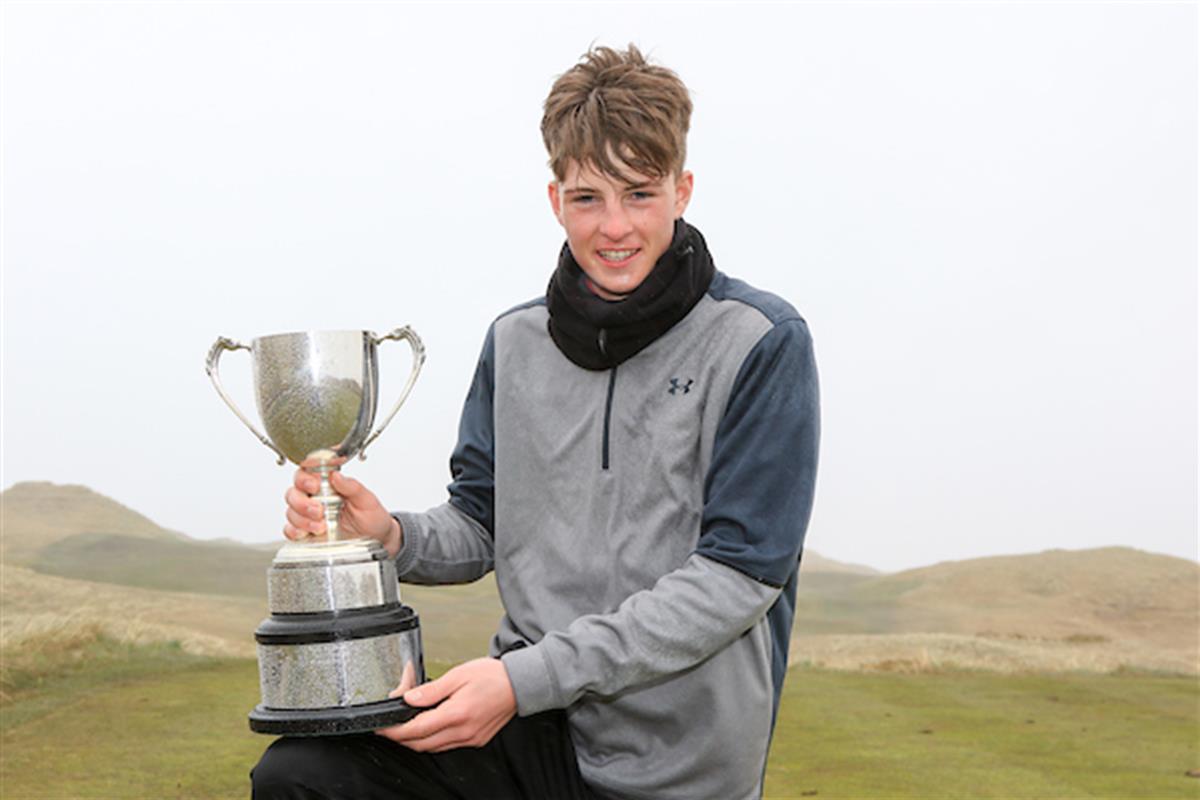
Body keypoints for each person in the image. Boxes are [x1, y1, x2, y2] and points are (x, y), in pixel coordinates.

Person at [252, 44, 819, 800]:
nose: (614, 227)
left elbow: (737, 577)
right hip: (533, 731)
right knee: (302, 776)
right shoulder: (513, 342)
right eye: (588, 198)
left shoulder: (761, 341)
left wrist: (521, 681)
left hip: (681, 769)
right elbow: (482, 521)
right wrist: (389, 534)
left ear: (682, 191)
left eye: (639, 194)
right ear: (556, 200)